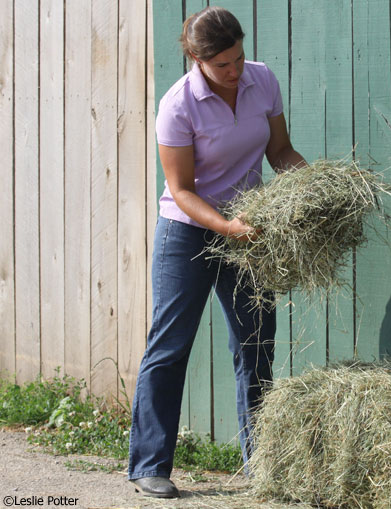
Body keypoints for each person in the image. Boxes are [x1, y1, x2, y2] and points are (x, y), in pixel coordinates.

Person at [127, 6, 306, 498]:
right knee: (170, 345)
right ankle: (149, 465)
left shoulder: (261, 80)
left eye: (239, 58)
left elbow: (280, 151)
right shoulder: (178, 105)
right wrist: (226, 225)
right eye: (223, 65)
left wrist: (310, 187)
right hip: (189, 231)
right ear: (197, 60)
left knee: (255, 345)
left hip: (247, 229)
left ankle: (260, 465)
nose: (234, 72)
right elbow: (181, 189)